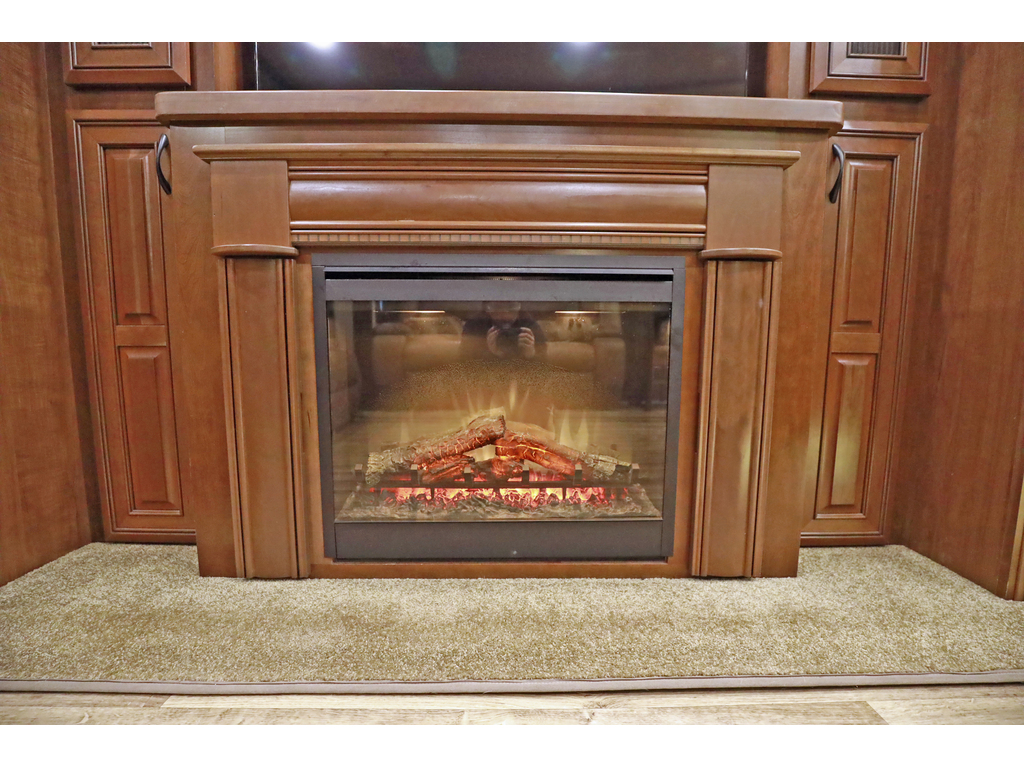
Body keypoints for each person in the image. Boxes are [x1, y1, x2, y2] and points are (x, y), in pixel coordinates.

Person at [460, 301, 546, 360]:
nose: (504, 314)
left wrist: (531, 354)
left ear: (519, 308)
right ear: (487, 309)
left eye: (511, 306)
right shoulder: (474, 327)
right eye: (497, 307)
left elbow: (546, 368)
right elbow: (464, 366)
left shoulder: (530, 327)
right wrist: (490, 354)